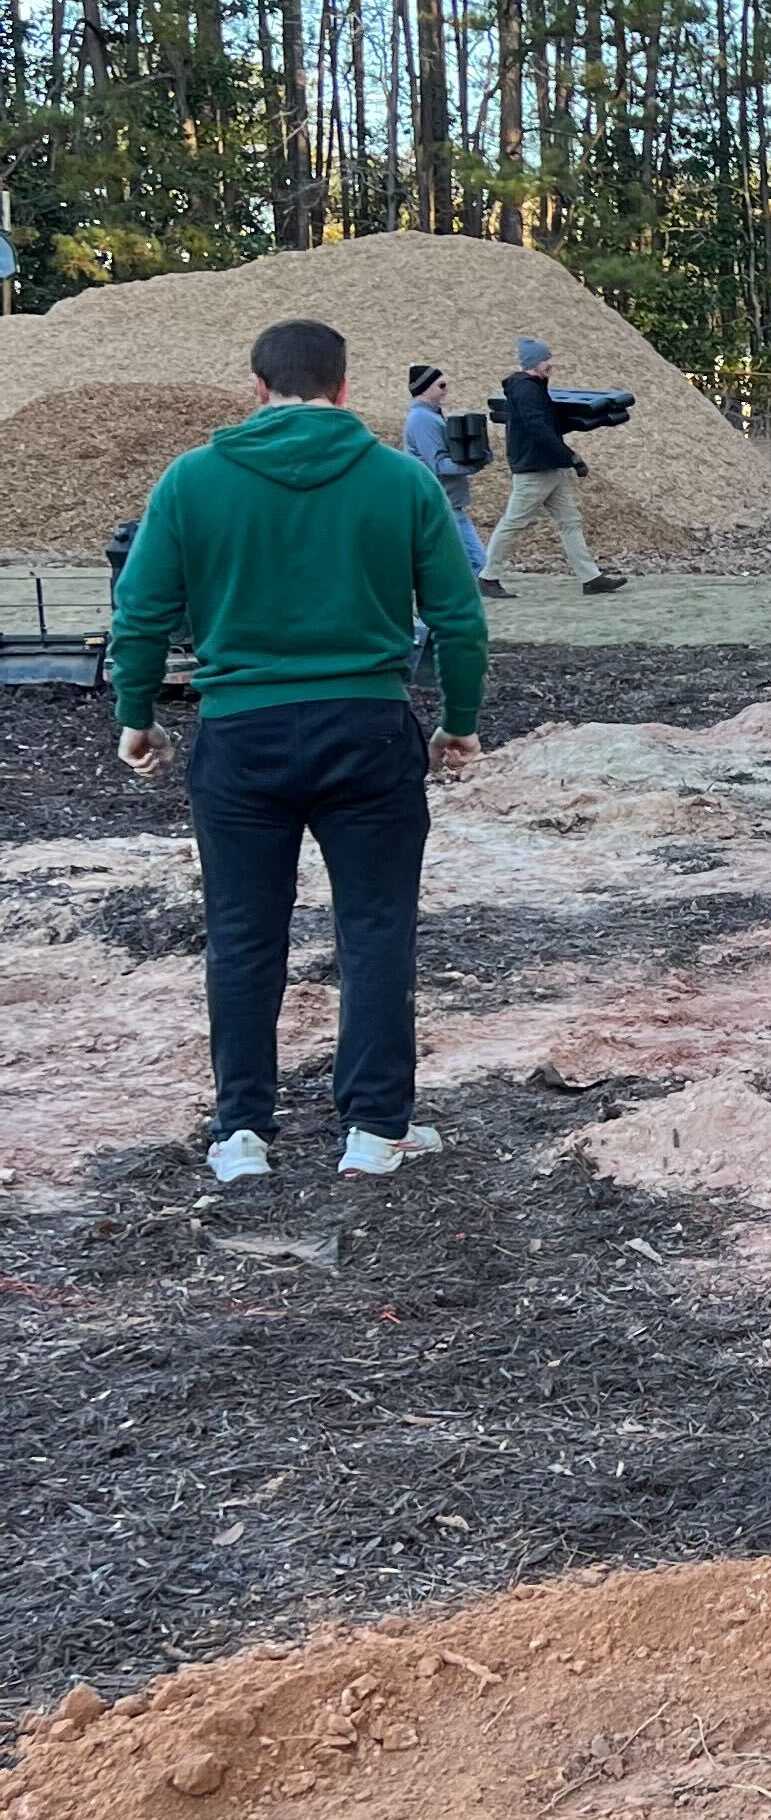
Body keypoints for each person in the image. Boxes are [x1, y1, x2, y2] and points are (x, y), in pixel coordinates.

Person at [111, 317, 486, 1185]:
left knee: (242, 934)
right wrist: (459, 719)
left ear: (258, 387)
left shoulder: (192, 479)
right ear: (344, 387)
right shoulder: (401, 479)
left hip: (241, 734)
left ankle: (242, 1131)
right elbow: (459, 616)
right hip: (368, 728)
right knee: (376, 926)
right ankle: (376, 1128)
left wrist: (136, 713)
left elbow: (140, 611)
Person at [483, 335, 625, 592]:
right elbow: (537, 428)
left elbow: (548, 425)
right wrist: (571, 456)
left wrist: (588, 423)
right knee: (513, 523)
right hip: (534, 469)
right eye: (545, 360)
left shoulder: (534, 387)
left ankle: (591, 578)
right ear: (533, 363)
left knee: (570, 521)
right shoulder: (526, 390)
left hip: (548, 466)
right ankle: (487, 577)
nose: (550, 364)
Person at [403, 364, 499, 594]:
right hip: (440, 497)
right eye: (441, 385)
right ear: (425, 388)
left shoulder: (428, 417)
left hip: (440, 497)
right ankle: (483, 582)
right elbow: (438, 464)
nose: (446, 390)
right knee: (475, 556)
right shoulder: (423, 420)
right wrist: (473, 465)